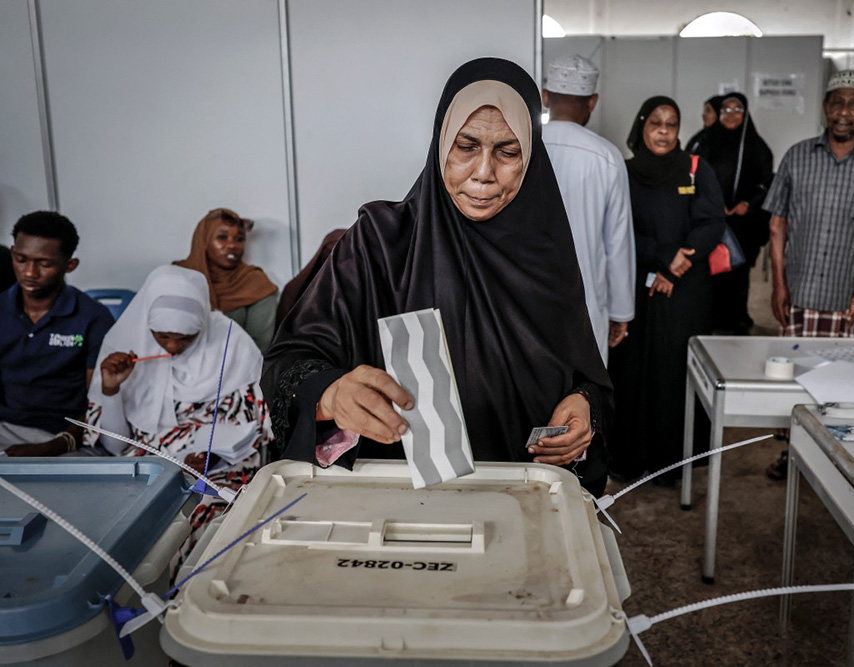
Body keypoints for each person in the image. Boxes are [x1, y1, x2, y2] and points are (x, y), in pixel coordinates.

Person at [261, 58, 612, 495]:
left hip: (524, 490)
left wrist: (584, 406)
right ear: (441, 143)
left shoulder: (545, 255)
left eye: (507, 151)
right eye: (466, 146)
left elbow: (584, 373)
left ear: (531, 157)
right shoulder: (378, 244)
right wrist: (330, 393)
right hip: (392, 494)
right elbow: (289, 360)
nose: (483, 173)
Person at [764, 70, 854, 480]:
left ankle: (837, 461)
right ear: (826, 107)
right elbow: (777, 223)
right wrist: (778, 281)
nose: (844, 112)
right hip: (802, 289)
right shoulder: (797, 155)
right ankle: (791, 455)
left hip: (852, 296)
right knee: (795, 382)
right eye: (837, 102)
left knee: (846, 384)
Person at [84, 265, 272, 564]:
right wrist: (111, 390)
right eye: (162, 336)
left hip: (219, 470)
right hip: (148, 469)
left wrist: (214, 458)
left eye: (186, 337)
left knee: (203, 525)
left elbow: (254, 433)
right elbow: (115, 448)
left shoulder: (230, 344)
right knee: (117, 530)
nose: (172, 347)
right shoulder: (127, 347)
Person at [607, 96, 725, 483]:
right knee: (633, 369)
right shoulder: (623, 172)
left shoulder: (695, 168)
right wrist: (663, 256)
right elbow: (617, 229)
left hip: (685, 290)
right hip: (636, 287)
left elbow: (712, 222)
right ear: (642, 126)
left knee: (675, 371)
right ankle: (629, 457)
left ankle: (671, 463)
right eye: (655, 122)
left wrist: (677, 266)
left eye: (671, 124)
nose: (662, 130)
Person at [542, 54, 635, 363]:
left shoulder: (519, 146)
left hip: (522, 300)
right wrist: (621, 311)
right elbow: (617, 243)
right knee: (582, 395)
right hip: (586, 305)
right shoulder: (607, 157)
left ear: (545, 97)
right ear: (592, 101)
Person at [0, 211, 114, 456]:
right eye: (21, 259)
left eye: (44, 263)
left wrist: (54, 446)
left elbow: (97, 405)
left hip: (64, 435)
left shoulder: (93, 317)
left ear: (69, 265)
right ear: (12, 254)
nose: (29, 272)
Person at [691, 92, 774, 334]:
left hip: (742, 223)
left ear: (746, 114)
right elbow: (692, 175)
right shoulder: (707, 141)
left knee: (737, 271)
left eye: (737, 109)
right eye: (726, 110)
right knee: (711, 270)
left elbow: (768, 183)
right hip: (709, 219)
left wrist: (747, 204)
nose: (731, 115)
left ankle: (736, 320)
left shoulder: (757, 147)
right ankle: (711, 319)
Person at [174, 208, 278, 352]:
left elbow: (260, 345)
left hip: (238, 367)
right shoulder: (177, 277)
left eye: (239, 239)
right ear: (203, 240)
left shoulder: (255, 282)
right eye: (222, 237)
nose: (232, 245)